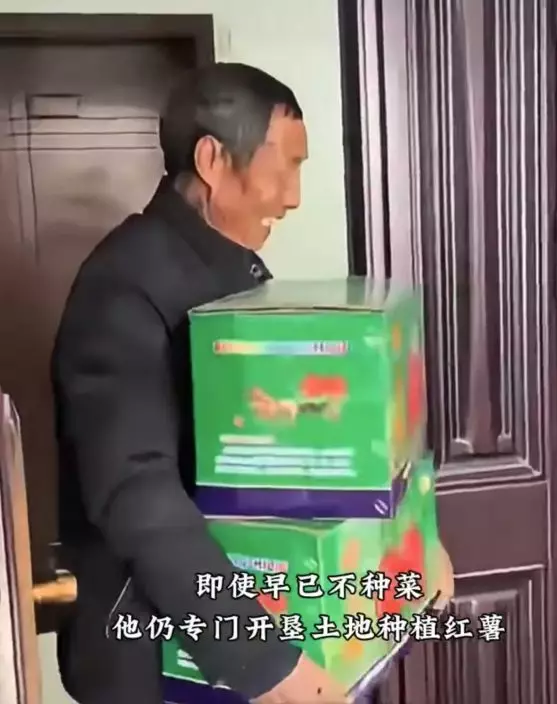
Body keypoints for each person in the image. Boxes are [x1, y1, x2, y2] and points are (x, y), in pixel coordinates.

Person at [51, 62, 454, 704]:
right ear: (213, 160)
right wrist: (260, 662)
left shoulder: (236, 274)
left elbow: (311, 457)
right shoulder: (122, 287)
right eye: (285, 166)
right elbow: (136, 495)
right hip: (156, 658)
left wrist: (415, 543)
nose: (293, 198)